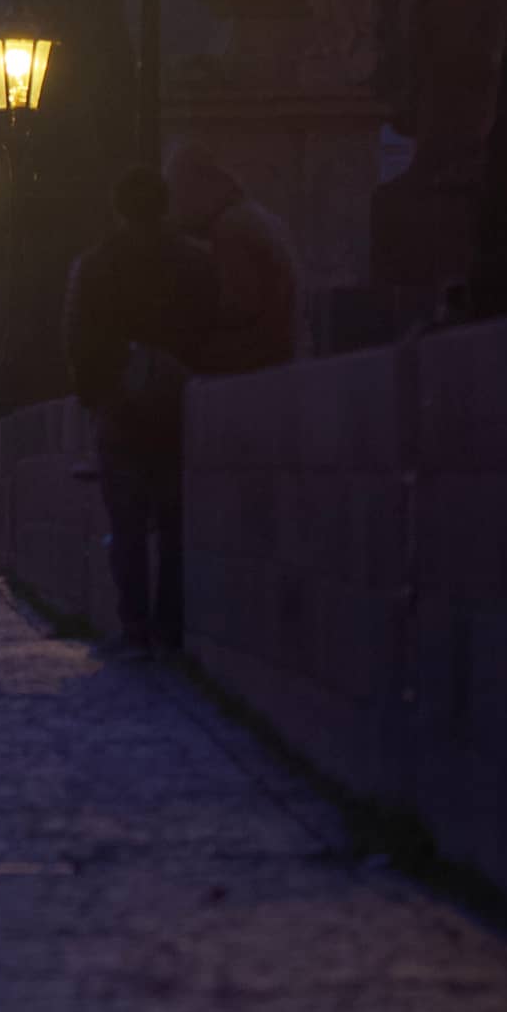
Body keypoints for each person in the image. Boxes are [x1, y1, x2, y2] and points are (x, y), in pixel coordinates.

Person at [63, 166, 219, 653]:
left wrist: (94, 396)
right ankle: (170, 626)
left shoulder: (97, 265)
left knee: (126, 523)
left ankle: (135, 626)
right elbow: (212, 328)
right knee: (174, 522)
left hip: (121, 406)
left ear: (119, 208)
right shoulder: (195, 262)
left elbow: (79, 337)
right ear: (164, 206)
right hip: (178, 402)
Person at [166, 145, 304, 377]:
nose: (175, 210)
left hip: (252, 373)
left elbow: (237, 308)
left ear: (202, 185)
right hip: (278, 366)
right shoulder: (258, 217)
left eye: (179, 195)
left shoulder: (231, 227)